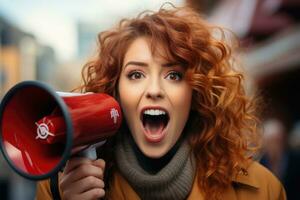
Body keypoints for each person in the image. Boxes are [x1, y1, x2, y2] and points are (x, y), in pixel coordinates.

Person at [36, 5, 286, 200]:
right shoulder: (60, 189)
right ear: (116, 92)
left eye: (173, 75)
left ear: (196, 91)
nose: (154, 90)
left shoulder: (262, 189)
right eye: (136, 75)